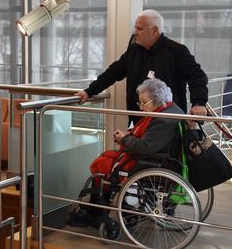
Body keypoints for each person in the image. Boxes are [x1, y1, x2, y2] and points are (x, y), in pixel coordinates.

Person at [69, 78, 184, 227]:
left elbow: (145, 146)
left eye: (144, 103)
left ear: (157, 99)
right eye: (140, 103)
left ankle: (96, 212)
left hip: (148, 161)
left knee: (100, 165)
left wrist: (124, 139)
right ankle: (97, 208)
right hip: (158, 158)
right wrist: (126, 136)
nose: (141, 108)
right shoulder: (170, 109)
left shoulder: (163, 119)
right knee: (105, 157)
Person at [75, 9, 208, 125]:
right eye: (135, 28)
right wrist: (89, 91)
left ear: (155, 31)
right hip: (137, 120)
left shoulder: (176, 51)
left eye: (139, 29)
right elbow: (113, 72)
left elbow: (197, 76)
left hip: (167, 124)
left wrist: (199, 103)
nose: (135, 32)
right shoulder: (134, 51)